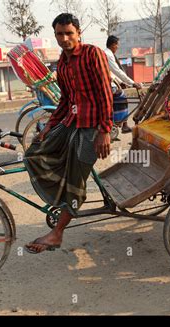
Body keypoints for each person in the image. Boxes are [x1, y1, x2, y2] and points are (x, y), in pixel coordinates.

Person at [23, 13, 113, 254]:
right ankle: (62, 200)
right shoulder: (61, 63)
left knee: (75, 179)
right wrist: (50, 127)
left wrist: (105, 131)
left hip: (93, 128)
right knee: (35, 153)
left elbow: (105, 93)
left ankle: (57, 233)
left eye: (69, 33)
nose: (64, 38)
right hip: (72, 122)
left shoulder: (93, 54)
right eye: (59, 34)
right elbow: (65, 100)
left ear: (78, 33)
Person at [104, 35, 142, 134]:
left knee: (118, 98)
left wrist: (121, 82)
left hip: (109, 82)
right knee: (122, 98)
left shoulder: (107, 53)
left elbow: (111, 73)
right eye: (117, 45)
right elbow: (117, 71)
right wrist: (133, 83)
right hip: (107, 85)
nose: (118, 47)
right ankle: (123, 124)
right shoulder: (108, 54)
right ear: (113, 45)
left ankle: (119, 122)